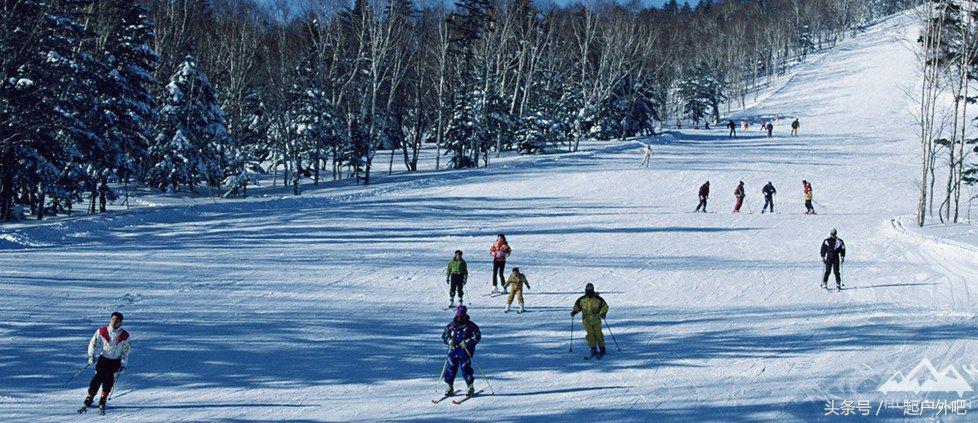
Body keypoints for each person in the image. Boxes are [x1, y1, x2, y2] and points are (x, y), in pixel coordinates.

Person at [83, 312, 130, 412]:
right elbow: (93, 343)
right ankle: (90, 397)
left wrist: (123, 363)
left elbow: (126, 350)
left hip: (115, 361)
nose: (114, 322)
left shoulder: (125, 335)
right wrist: (91, 355)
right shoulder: (102, 331)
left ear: (120, 322)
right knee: (97, 378)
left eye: (117, 320)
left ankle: (103, 398)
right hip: (103, 359)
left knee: (109, 380)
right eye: (113, 319)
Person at [441, 305, 481, 397]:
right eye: (458, 316)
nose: (459, 318)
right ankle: (449, 386)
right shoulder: (451, 325)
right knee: (451, 367)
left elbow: (477, 337)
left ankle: (470, 386)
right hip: (454, 350)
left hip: (466, 350)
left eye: (461, 316)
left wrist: (467, 342)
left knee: (465, 367)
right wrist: (449, 341)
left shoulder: (471, 326)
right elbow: (444, 335)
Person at [571, 283, 609, 358]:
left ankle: (602, 348)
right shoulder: (581, 299)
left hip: (596, 319)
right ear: (585, 290)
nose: (589, 292)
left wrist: (603, 313)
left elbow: (605, 306)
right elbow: (577, 307)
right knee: (590, 335)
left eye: (590, 290)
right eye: (588, 290)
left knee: (598, 334)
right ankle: (593, 348)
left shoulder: (598, 299)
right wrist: (574, 311)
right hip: (586, 320)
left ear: (593, 290)